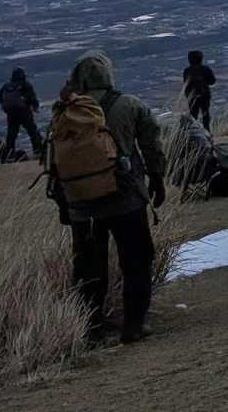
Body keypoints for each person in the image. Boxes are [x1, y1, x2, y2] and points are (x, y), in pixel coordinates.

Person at [60, 52, 166, 345]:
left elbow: (55, 161)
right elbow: (151, 143)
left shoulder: (66, 111)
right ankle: (134, 324)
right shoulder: (128, 104)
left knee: (88, 268)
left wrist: (65, 203)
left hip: (82, 206)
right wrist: (157, 179)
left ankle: (91, 329)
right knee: (136, 260)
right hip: (126, 199)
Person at [0, 67, 43, 160]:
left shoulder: (7, 85)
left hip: (11, 114)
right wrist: (35, 107)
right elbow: (32, 98)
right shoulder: (26, 85)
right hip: (24, 113)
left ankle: (9, 153)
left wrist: (7, 105)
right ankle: (38, 150)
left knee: (11, 135)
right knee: (32, 131)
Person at [182, 50, 218, 131]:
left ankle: (194, 131)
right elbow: (212, 81)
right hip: (204, 94)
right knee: (205, 113)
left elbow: (185, 84)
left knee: (193, 115)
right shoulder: (205, 69)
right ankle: (207, 130)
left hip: (192, 96)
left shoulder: (187, 71)